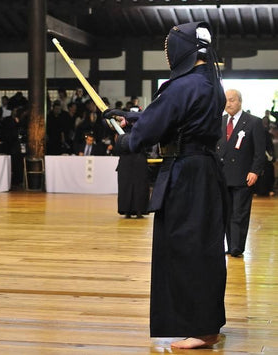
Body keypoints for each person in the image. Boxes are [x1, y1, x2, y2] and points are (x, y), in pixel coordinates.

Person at [104, 21, 228, 349]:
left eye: (168, 47)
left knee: (185, 249)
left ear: (181, 49)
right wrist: (131, 117)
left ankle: (200, 330)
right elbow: (174, 118)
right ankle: (208, 324)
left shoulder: (181, 86)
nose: (166, 54)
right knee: (204, 249)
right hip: (204, 172)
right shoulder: (208, 81)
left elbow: (149, 131)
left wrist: (126, 140)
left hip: (186, 175)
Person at [216, 89, 266, 257]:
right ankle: (230, 246)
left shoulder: (253, 122)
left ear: (240, 101)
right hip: (222, 176)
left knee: (239, 214)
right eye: (226, 101)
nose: (228, 104)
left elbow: (260, 151)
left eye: (232, 100)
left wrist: (255, 171)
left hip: (243, 175)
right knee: (226, 213)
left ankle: (237, 248)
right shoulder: (219, 121)